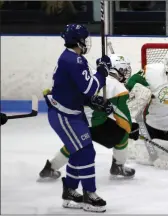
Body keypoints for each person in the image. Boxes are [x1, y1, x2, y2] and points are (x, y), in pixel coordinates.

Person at [39, 54, 139, 181]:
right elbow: (123, 118)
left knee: (76, 144)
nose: (126, 74)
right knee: (122, 136)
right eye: (124, 70)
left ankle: (50, 168)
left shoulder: (86, 75)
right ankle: (118, 166)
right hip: (95, 125)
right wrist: (130, 129)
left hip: (73, 120)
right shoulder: (117, 88)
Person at [45, 24, 109, 212]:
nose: (87, 42)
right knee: (86, 152)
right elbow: (89, 87)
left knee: (79, 151)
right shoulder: (74, 61)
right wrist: (102, 72)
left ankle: (71, 191)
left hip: (72, 112)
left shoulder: (73, 58)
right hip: (64, 115)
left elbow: (78, 89)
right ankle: (89, 194)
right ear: (78, 40)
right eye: (85, 38)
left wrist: (91, 101)